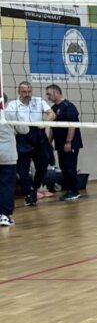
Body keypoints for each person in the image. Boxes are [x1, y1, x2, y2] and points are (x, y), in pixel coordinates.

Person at [12, 81, 53, 207]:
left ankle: (35, 188)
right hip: (22, 137)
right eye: (24, 92)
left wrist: (45, 122)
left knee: (43, 166)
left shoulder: (38, 101)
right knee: (23, 170)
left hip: (38, 135)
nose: (27, 94)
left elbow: (52, 113)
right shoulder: (13, 105)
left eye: (29, 91)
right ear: (19, 92)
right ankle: (28, 194)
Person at [44, 85, 84, 201]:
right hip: (60, 143)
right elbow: (53, 127)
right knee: (63, 167)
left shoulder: (68, 106)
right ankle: (69, 190)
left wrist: (68, 142)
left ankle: (74, 191)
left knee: (70, 167)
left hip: (70, 143)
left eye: (49, 94)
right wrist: (49, 142)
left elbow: (72, 126)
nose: (47, 96)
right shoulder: (53, 108)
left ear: (56, 92)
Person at [0, 92, 30, 226]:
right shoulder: (11, 113)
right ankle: (4, 215)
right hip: (7, 155)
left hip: (7, 155)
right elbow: (25, 130)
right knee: (6, 185)